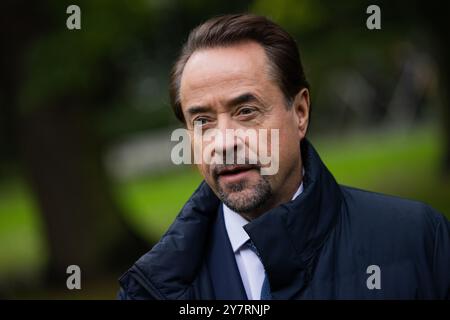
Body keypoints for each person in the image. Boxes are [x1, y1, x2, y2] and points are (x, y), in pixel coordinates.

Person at [118, 14, 450, 299]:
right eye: (202, 121)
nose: (223, 142)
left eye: (246, 111)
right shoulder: (152, 287)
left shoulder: (416, 240)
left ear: (300, 112)